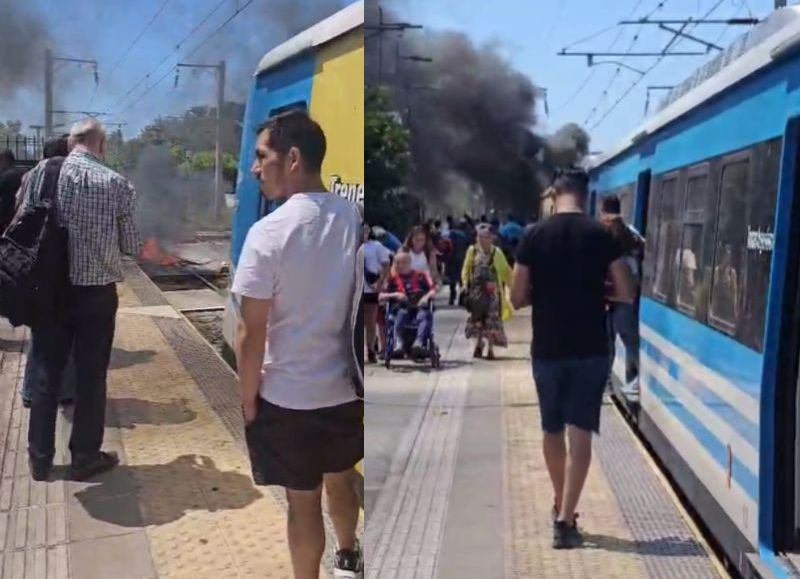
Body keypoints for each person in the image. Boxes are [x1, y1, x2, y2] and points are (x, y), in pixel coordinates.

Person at [231, 110, 363, 579]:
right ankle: (348, 556)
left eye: (261, 156)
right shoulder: (353, 217)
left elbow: (250, 333)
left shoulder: (267, 233)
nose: (254, 169)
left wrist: (248, 399)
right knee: (341, 477)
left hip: (288, 397)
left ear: (291, 159)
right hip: (344, 391)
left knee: (303, 502)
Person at [511, 169, 634, 550]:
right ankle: (566, 519)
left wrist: (543, 296)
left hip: (547, 348)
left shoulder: (534, 235)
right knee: (580, 432)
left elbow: (516, 296)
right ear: (585, 194)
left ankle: (559, 500)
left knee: (551, 430)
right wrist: (599, 294)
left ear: (554, 194)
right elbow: (626, 291)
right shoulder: (601, 235)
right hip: (590, 348)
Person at [19, 119, 140, 483]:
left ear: (71, 143)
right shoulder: (116, 183)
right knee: (91, 376)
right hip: (95, 296)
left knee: (46, 371)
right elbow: (131, 246)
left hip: (49, 291)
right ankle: (84, 457)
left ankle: (39, 459)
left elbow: (22, 223)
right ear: (100, 145)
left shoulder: (40, 174)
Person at [20, 135, 76, 409]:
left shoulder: (31, 176)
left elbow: (21, 212)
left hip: (35, 263)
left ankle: (31, 391)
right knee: (67, 332)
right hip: (64, 264)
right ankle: (64, 391)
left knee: (40, 331)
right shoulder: (73, 175)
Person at [599, 195, 645, 385]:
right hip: (628, 295)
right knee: (631, 341)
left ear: (603, 211)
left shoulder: (602, 232)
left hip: (607, 295)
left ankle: (605, 382)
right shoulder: (632, 232)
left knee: (606, 342)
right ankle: (634, 381)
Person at [462, 223, 512, 360]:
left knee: (491, 321)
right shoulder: (472, 251)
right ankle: (479, 344)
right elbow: (466, 268)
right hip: (476, 292)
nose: (482, 240)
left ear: (491, 238)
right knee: (478, 319)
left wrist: (513, 286)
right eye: (480, 237)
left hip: (492, 294)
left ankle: (490, 349)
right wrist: (465, 283)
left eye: (486, 237)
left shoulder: (497, 253)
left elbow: (505, 271)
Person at [379, 250, 436, 358]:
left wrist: (426, 297)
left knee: (425, 315)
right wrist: (395, 294)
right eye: (398, 263)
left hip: (419, 306)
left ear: (410, 263)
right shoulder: (392, 279)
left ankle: (419, 343)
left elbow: (433, 291)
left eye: (404, 262)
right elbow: (381, 296)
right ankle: (399, 343)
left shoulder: (421, 276)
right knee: (401, 314)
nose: (401, 265)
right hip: (401, 307)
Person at [363, 224, 391, 364]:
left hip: (371, 288)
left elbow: (386, 265)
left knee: (371, 322)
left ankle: (371, 350)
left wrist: (380, 282)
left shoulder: (376, 246)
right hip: (353, 289)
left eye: (365, 230)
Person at [0, 149, 23, 234]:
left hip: (6, 214)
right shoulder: (21, 173)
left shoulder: (6, 175)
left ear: (5, 160)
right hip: (18, 213)